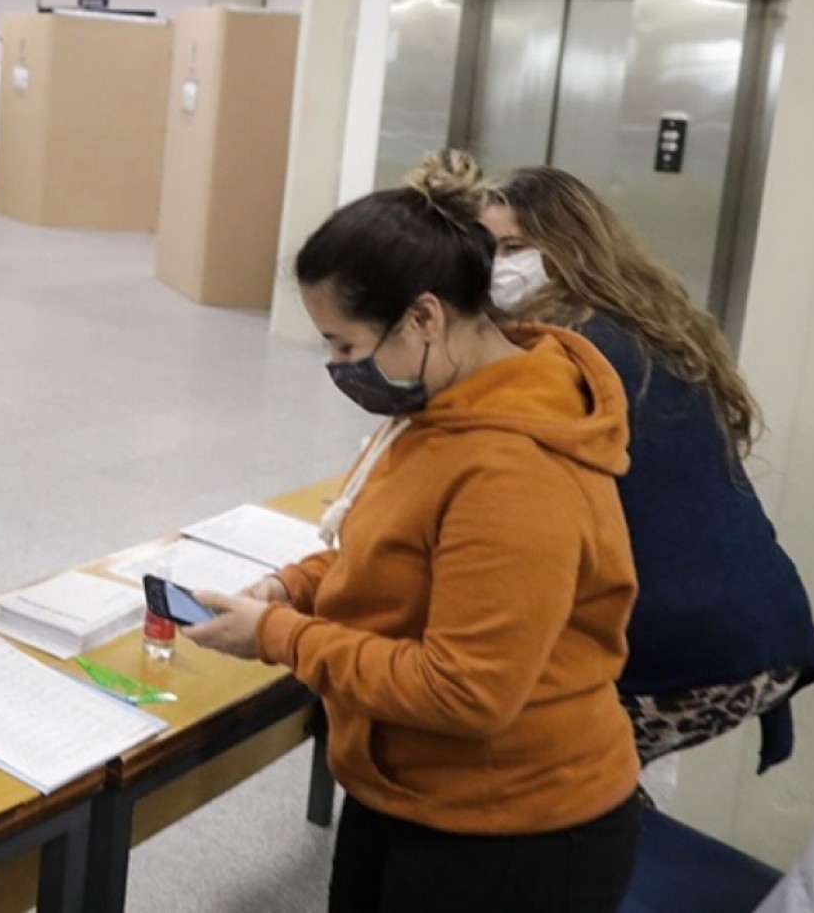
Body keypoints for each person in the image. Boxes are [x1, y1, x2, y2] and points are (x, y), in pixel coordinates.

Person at [182, 152, 643, 913]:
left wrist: (280, 634)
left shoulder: (512, 471)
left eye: (345, 345)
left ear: (425, 316)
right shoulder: (439, 404)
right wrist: (295, 584)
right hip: (411, 791)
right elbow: (390, 551)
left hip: (515, 830)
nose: (338, 367)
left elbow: (465, 691)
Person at [482, 163, 814, 770]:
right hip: (761, 628)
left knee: (500, 754)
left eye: (514, 248)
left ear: (569, 246)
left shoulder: (564, 350)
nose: (496, 266)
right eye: (484, 250)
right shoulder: (647, 324)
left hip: (688, 655)